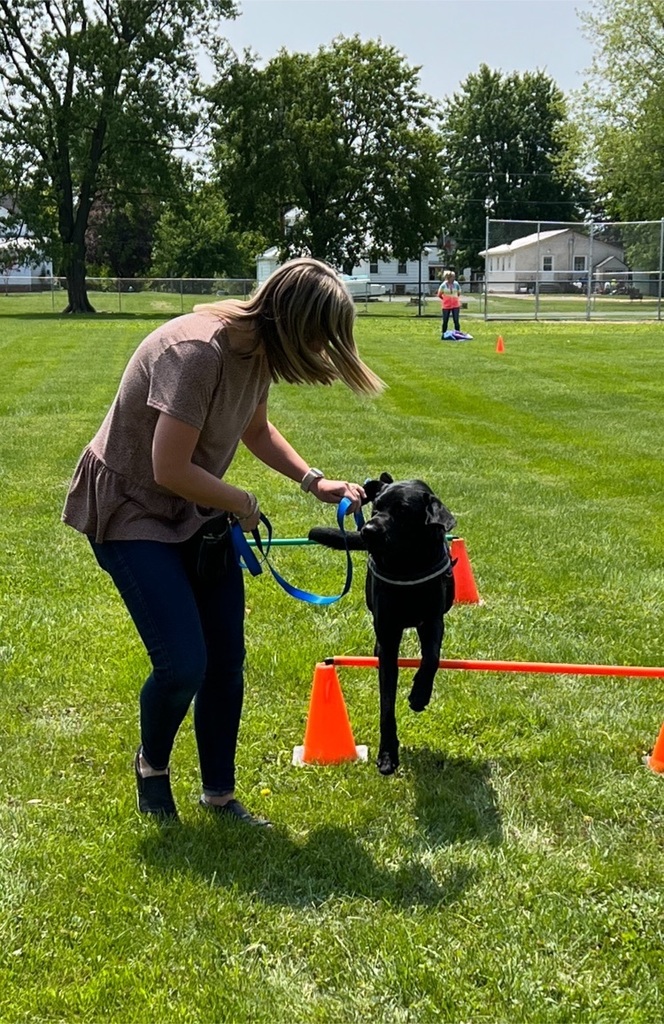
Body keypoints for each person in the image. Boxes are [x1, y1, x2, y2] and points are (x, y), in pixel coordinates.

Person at [62, 257, 384, 825]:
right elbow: (167, 467)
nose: (317, 355)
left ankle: (219, 795)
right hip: (133, 508)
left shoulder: (255, 349)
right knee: (184, 662)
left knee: (225, 661)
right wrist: (238, 501)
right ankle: (152, 767)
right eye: (316, 340)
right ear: (290, 324)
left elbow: (254, 429)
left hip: (194, 508)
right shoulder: (198, 353)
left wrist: (313, 480)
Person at [437, 269, 462, 338]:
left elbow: (459, 293)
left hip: (455, 305)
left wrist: (454, 299)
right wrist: (445, 300)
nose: (454, 278)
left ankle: (458, 334)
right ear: (448, 277)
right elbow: (439, 294)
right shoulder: (443, 285)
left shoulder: (456, 284)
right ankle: (443, 334)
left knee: (456, 320)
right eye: (452, 277)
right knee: (445, 320)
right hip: (446, 306)